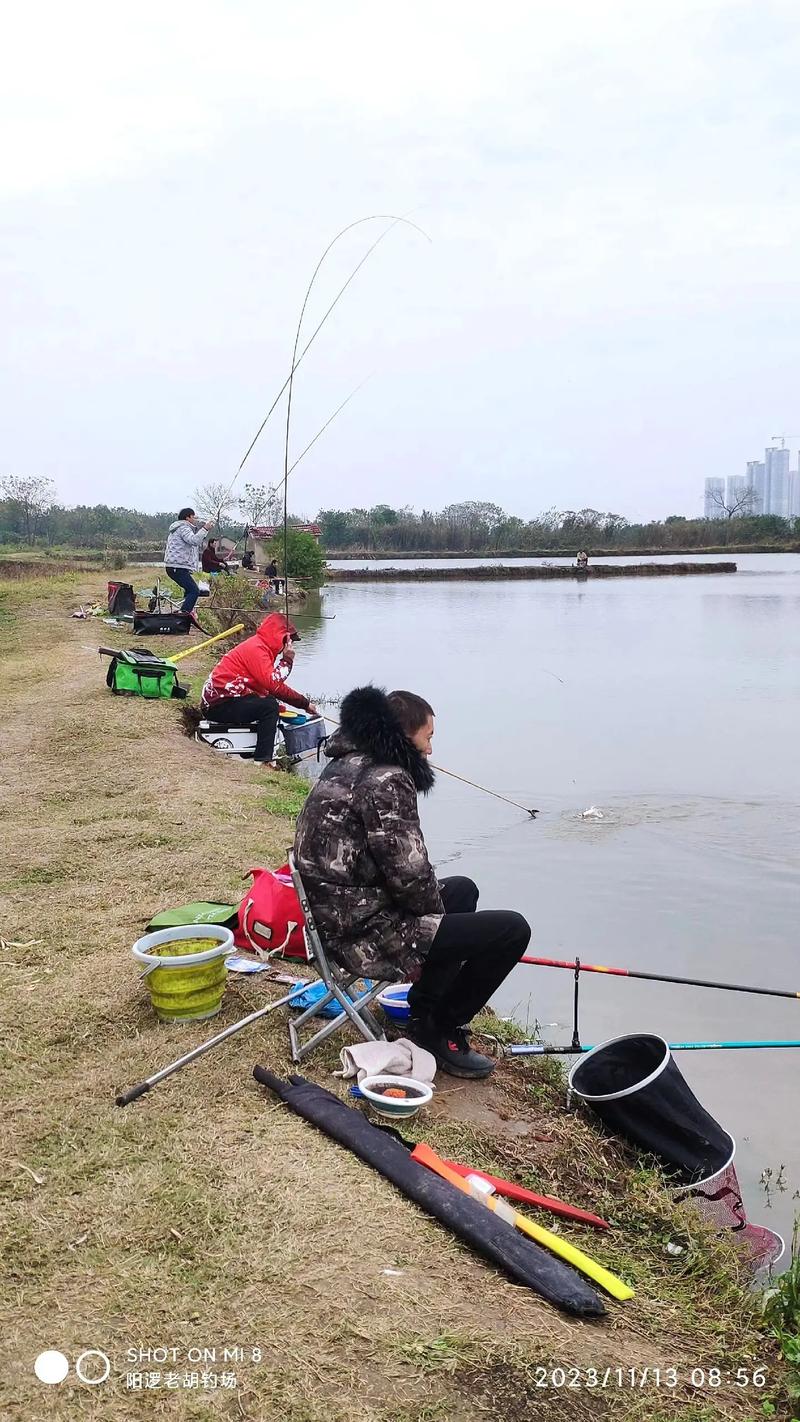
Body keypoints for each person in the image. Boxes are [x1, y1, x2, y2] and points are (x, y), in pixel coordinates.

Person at [293, 685, 532, 1078]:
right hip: (359, 933)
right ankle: (441, 1029)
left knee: (462, 889)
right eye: (429, 737)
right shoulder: (386, 779)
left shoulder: (348, 762)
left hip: (335, 915)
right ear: (406, 735)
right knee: (511, 930)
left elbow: (402, 873)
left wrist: (436, 919)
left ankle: (423, 1014)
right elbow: (411, 877)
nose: (431, 750)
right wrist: (435, 929)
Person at [201, 612, 318, 767]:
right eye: (290, 641)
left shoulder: (260, 647)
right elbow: (274, 685)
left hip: (226, 700)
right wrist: (287, 660)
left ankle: (262, 753)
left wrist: (298, 703)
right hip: (219, 705)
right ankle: (264, 759)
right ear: (282, 638)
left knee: (269, 702)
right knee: (269, 707)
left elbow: (266, 687)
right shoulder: (257, 649)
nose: (291, 646)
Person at [163, 508, 213, 613]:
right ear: (187, 517)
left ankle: (186, 612)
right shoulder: (183, 527)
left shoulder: (178, 528)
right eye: (193, 516)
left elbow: (195, 540)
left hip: (175, 566)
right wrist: (205, 529)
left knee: (189, 590)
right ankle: (184, 615)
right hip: (178, 567)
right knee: (194, 591)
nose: (195, 519)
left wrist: (204, 530)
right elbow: (194, 541)